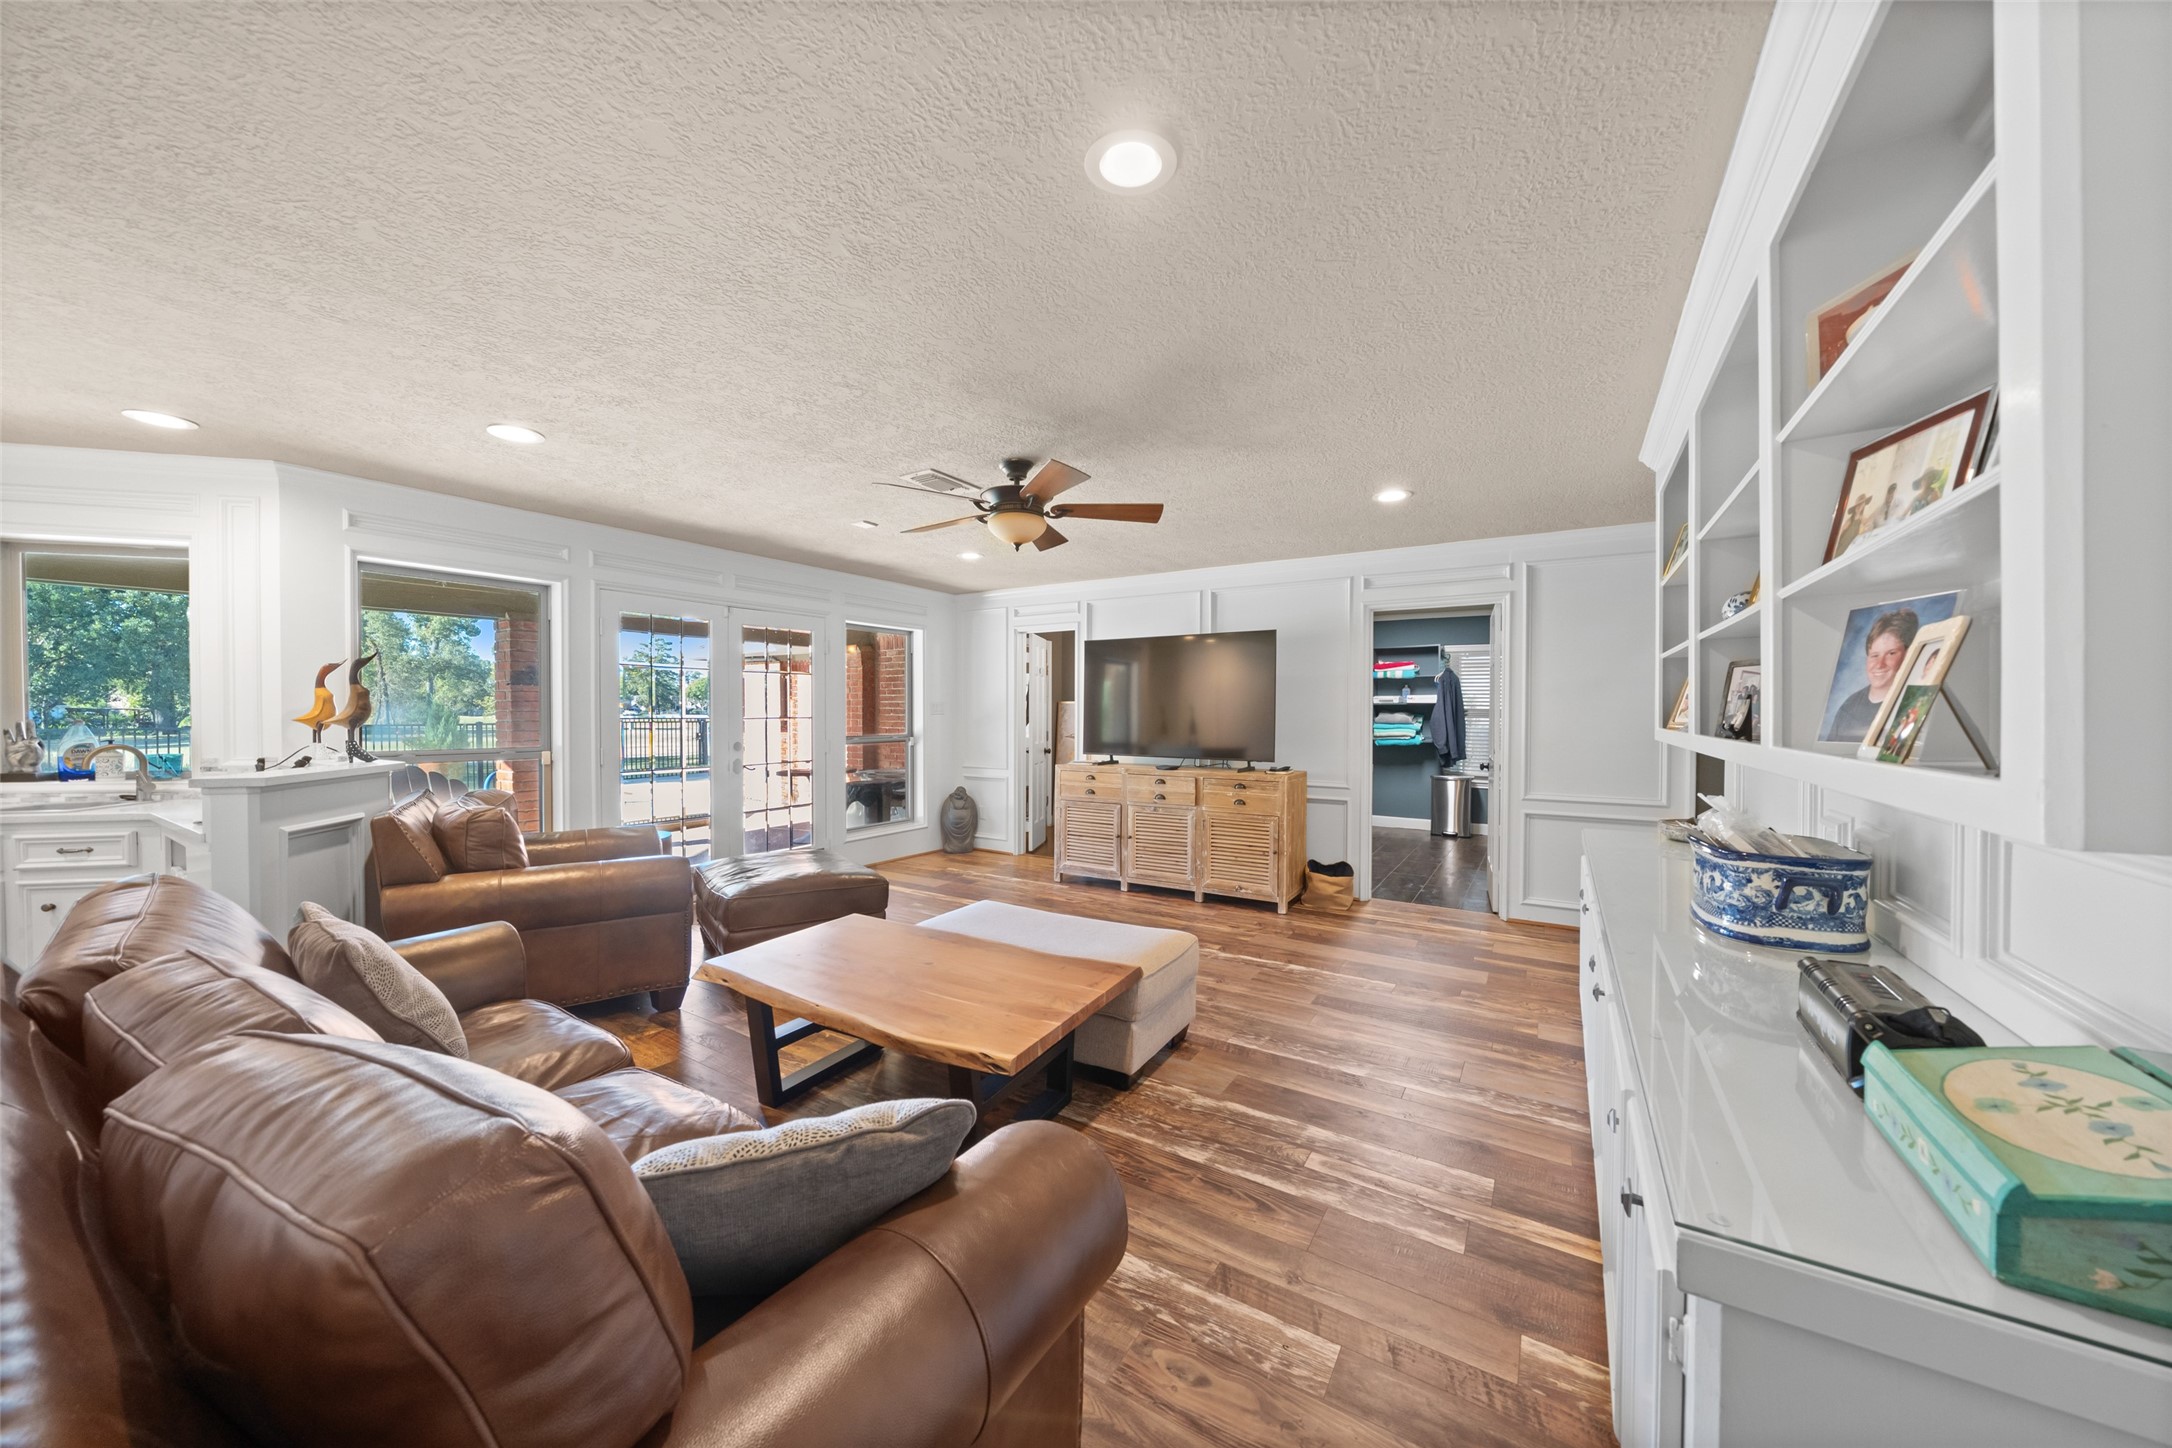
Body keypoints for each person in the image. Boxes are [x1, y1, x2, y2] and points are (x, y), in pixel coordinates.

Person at [1828, 608, 1918, 741]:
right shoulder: (1849, 707)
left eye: (1891, 653)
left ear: (1908, 655)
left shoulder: (1913, 705)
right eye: (1874, 655)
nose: (1880, 664)